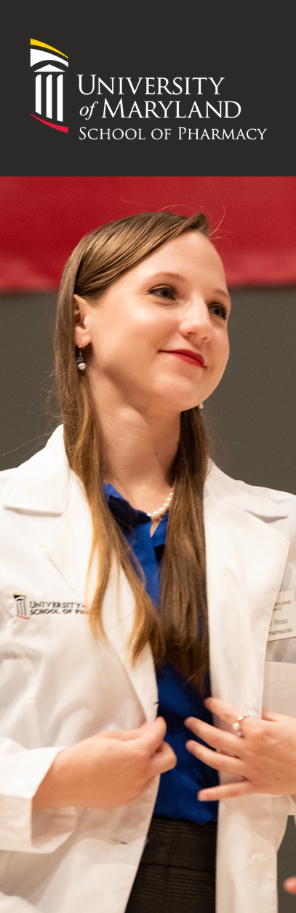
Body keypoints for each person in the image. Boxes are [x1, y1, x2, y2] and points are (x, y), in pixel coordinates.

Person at [0, 210, 296, 913]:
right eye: (166, 292)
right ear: (82, 320)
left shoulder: (279, 530)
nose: (201, 323)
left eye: (219, 309)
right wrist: (53, 779)